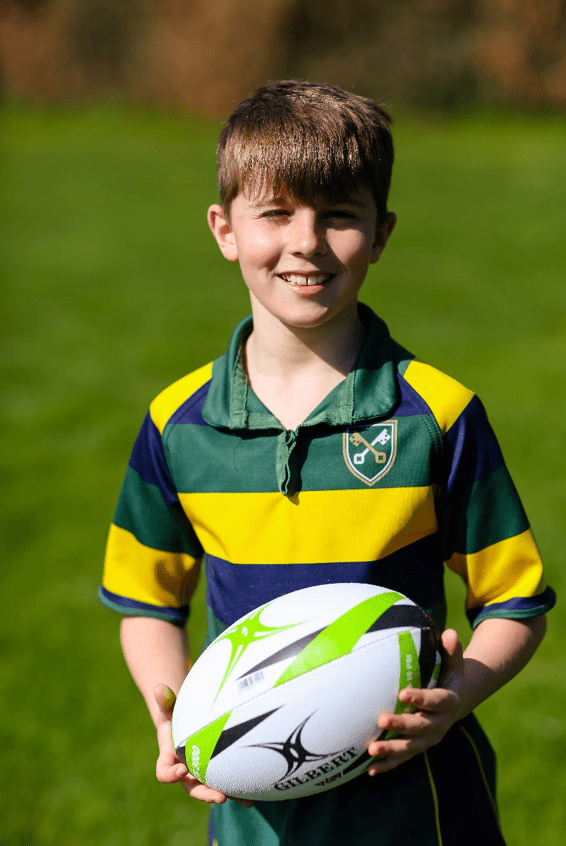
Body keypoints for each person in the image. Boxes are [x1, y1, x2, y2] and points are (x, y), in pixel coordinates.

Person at [99, 81, 555, 846]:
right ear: (224, 229)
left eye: (339, 214)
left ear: (380, 234)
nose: (306, 241)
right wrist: (173, 710)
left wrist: (457, 698)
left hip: (419, 802)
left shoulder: (437, 415)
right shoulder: (179, 424)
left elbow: (516, 599)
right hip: (253, 811)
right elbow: (145, 597)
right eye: (276, 213)